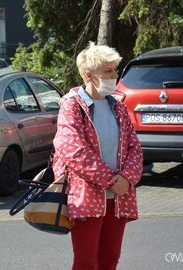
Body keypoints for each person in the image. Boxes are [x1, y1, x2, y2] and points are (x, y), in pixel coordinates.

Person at [52, 41, 143, 270]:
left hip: (119, 197)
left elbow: (135, 148)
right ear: (88, 74)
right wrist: (110, 180)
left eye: (114, 69)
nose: (114, 75)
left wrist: (127, 179)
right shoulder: (72, 105)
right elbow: (73, 149)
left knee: (110, 259)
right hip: (87, 196)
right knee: (86, 262)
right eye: (108, 71)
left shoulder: (118, 107)